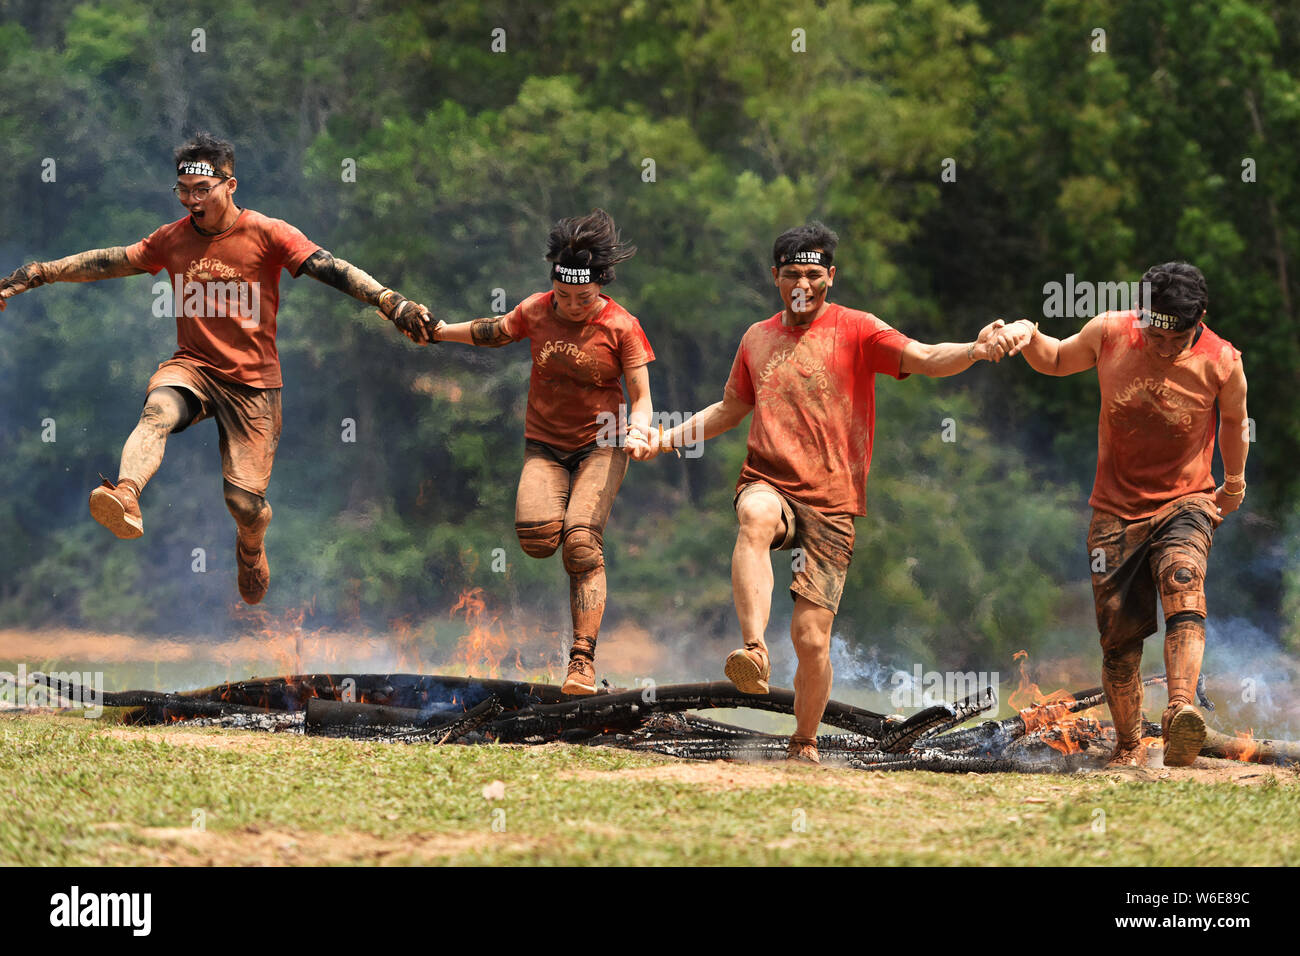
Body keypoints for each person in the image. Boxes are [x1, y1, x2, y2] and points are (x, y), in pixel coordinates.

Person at [0, 132, 435, 605]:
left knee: (244, 504)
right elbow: (109, 260)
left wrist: (391, 301)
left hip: (254, 387)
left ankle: (250, 548)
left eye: (201, 190)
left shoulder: (268, 234)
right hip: (193, 369)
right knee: (157, 412)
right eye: (183, 190)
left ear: (230, 185)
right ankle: (126, 494)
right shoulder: (172, 239)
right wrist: (40, 272)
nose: (191, 200)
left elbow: (333, 268)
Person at [644, 221, 1008, 762]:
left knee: (812, 638)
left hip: (833, 504)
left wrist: (975, 350)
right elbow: (729, 408)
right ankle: (752, 649)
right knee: (755, 515)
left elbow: (927, 357)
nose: (802, 285)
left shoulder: (859, 330)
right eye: (791, 274)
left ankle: (804, 741)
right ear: (775, 277)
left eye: (813, 274)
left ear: (831, 277)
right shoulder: (756, 338)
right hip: (769, 480)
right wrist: (667, 440)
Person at [993, 262, 1248, 767]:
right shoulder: (1109, 332)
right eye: (1152, 327)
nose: (1158, 342)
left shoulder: (1223, 361)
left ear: (1199, 318)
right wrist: (1025, 333)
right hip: (1114, 511)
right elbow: (1058, 359)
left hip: (1186, 499)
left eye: (1172, 335)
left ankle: (1180, 713)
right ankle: (1128, 747)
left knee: (1183, 577)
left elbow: (1236, 422)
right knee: (1119, 642)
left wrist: (1234, 481)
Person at [432, 209, 655, 696]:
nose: (573, 306)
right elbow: (492, 331)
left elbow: (641, 397)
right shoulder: (535, 310)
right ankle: (575, 556)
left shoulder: (622, 326)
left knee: (580, 544)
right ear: (552, 286)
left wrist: (640, 432)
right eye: (564, 296)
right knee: (536, 538)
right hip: (545, 445)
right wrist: (439, 331)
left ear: (599, 289)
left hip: (604, 441)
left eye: (584, 297)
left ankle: (581, 663)